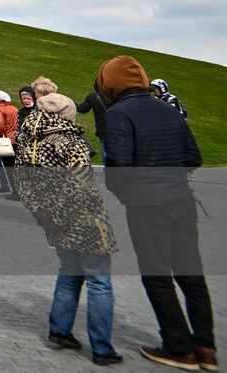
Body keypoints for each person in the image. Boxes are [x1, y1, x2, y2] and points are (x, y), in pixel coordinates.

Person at [99, 55, 214, 370]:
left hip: (147, 204)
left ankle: (178, 347)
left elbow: (119, 167)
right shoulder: (167, 108)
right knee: (191, 273)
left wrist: (127, 193)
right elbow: (193, 157)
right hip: (182, 199)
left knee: (157, 274)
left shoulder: (118, 114)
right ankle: (205, 346)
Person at [12, 92, 121, 365]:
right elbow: (81, 184)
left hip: (52, 218)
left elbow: (23, 185)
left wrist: (44, 213)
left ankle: (60, 330)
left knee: (69, 273)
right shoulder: (71, 141)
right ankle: (102, 347)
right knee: (99, 280)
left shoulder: (27, 142)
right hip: (82, 218)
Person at [78, 84, 112, 160]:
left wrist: (71, 102)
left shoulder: (92, 97)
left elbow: (83, 109)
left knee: (105, 150)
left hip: (103, 129)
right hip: (119, 127)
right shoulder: (116, 95)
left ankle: (109, 169)